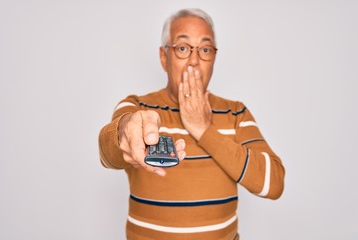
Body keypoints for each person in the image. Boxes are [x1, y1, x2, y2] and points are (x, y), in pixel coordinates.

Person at [98, 8, 285, 240]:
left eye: (205, 49)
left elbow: (273, 183)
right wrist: (126, 127)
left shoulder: (236, 113)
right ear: (163, 57)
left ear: (214, 58)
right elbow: (108, 152)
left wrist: (203, 130)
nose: (194, 61)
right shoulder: (138, 107)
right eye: (183, 48)